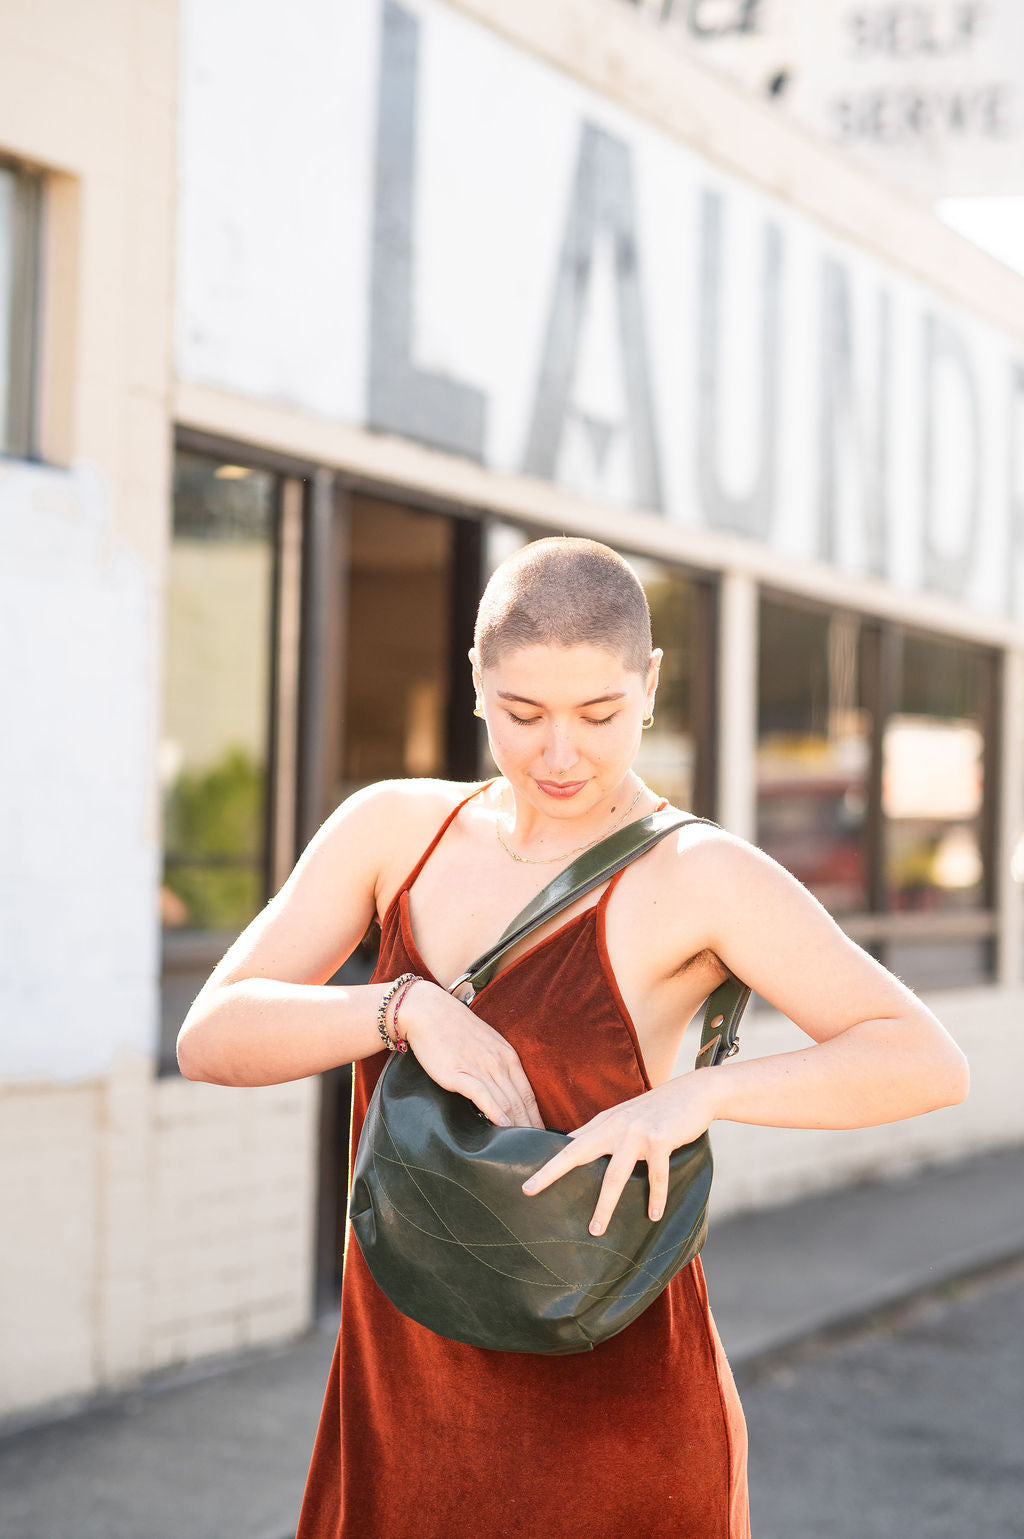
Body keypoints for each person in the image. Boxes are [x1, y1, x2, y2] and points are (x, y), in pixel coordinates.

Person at [177, 536, 969, 1539]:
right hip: (403, 1399)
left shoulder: (700, 874)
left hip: (615, 1427)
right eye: (522, 714)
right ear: (475, 684)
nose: (560, 754)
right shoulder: (392, 831)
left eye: (597, 715)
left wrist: (698, 1096)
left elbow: (922, 1058)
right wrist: (403, 1008)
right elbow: (212, 1036)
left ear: (648, 686)